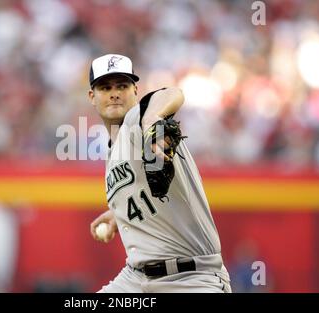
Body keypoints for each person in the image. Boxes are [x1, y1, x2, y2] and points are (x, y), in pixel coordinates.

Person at [88, 54, 231, 293]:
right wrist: (118, 213)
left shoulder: (138, 121)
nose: (114, 93)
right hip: (136, 279)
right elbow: (143, 191)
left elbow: (171, 94)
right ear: (92, 96)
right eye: (105, 87)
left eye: (122, 86)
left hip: (191, 279)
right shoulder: (112, 151)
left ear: (136, 91)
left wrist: (153, 118)